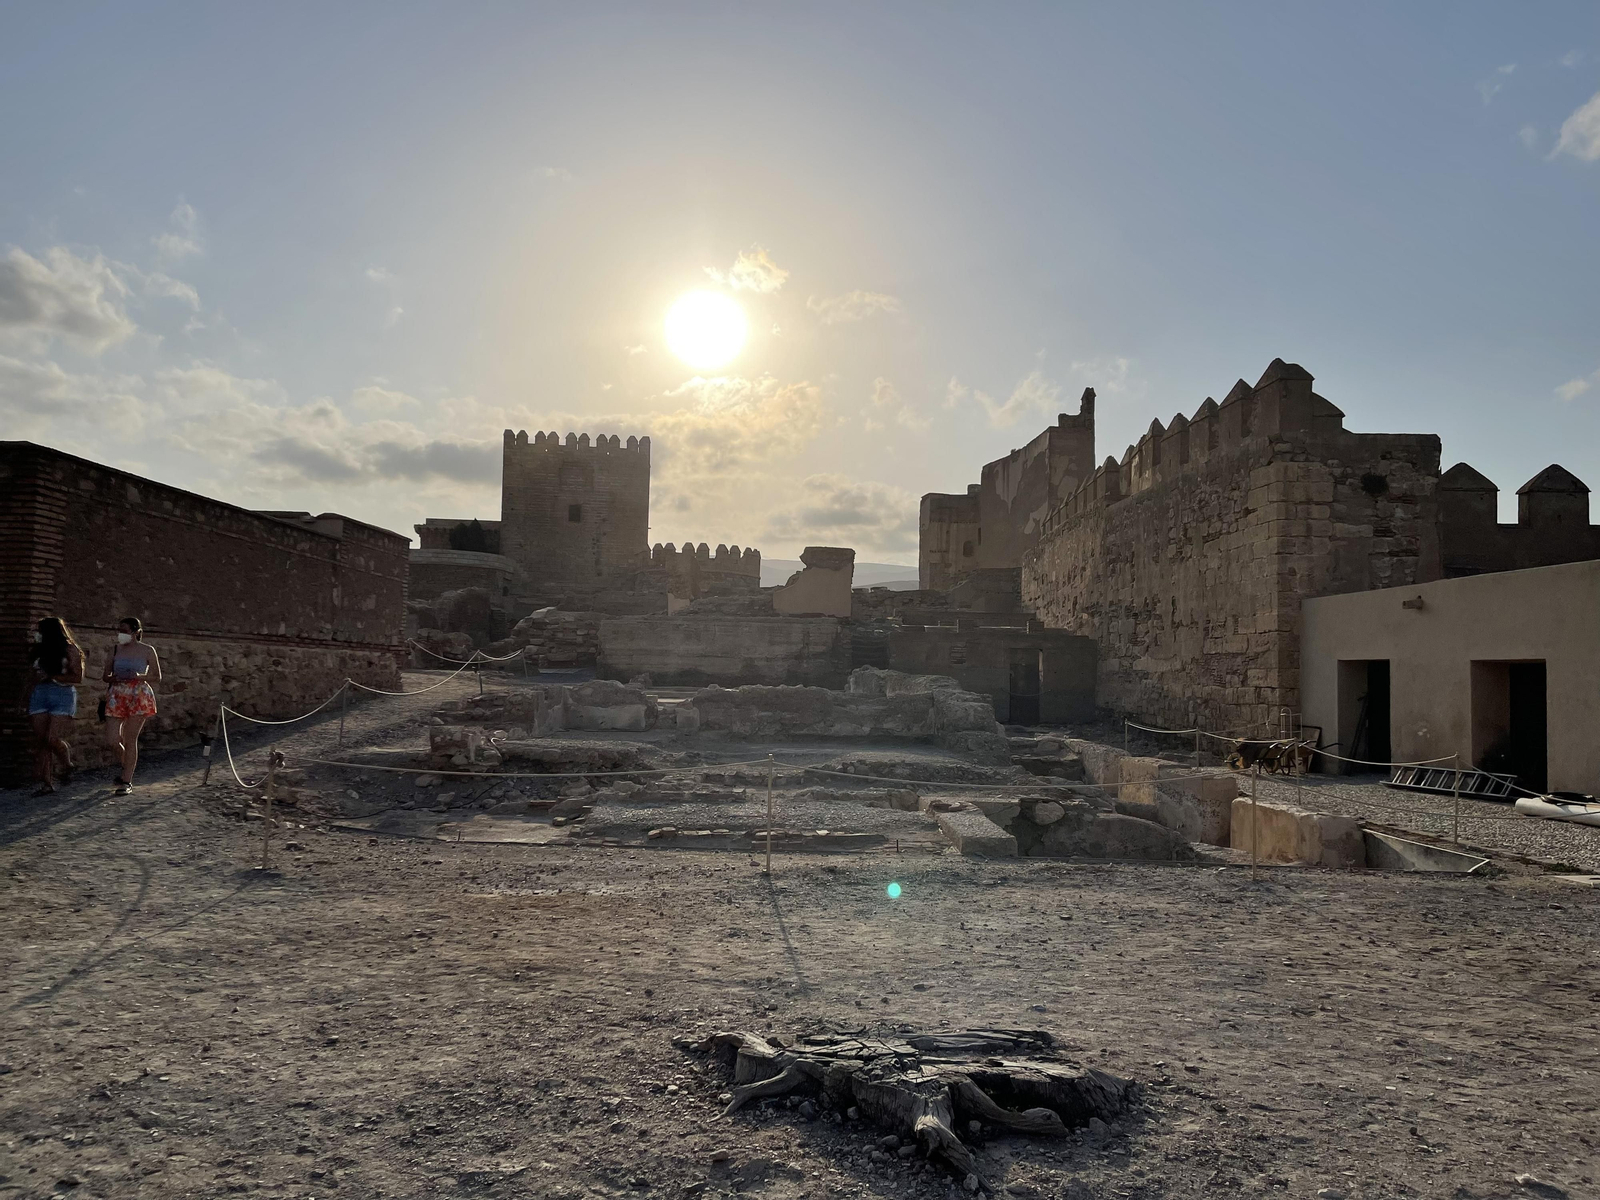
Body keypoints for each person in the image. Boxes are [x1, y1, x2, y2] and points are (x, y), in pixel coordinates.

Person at [23, 617, 86, 795]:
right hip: (39, 695)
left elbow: (77, 678)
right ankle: (47, 783)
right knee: (42, 740)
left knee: (52, 738)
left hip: (62, 695)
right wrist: (24, 697)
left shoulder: (70, 649)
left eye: (40, 630)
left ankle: (67, 764)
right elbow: (30, 676)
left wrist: (52, 677)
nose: (36, 634)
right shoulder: (38, 651)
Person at [102, 616, 161, 796]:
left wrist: (139, 676)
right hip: (117, 694)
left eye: (125, 631)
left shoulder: (148, 650)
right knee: (113, 739)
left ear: (136, 633)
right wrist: (114, 678)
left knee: (130, 738)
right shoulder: (115, 649)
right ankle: (125, 763)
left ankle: (126, 780)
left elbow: (156, 676)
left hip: (139, 694)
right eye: (119, 630)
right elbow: (106, 675)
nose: (121, 634)